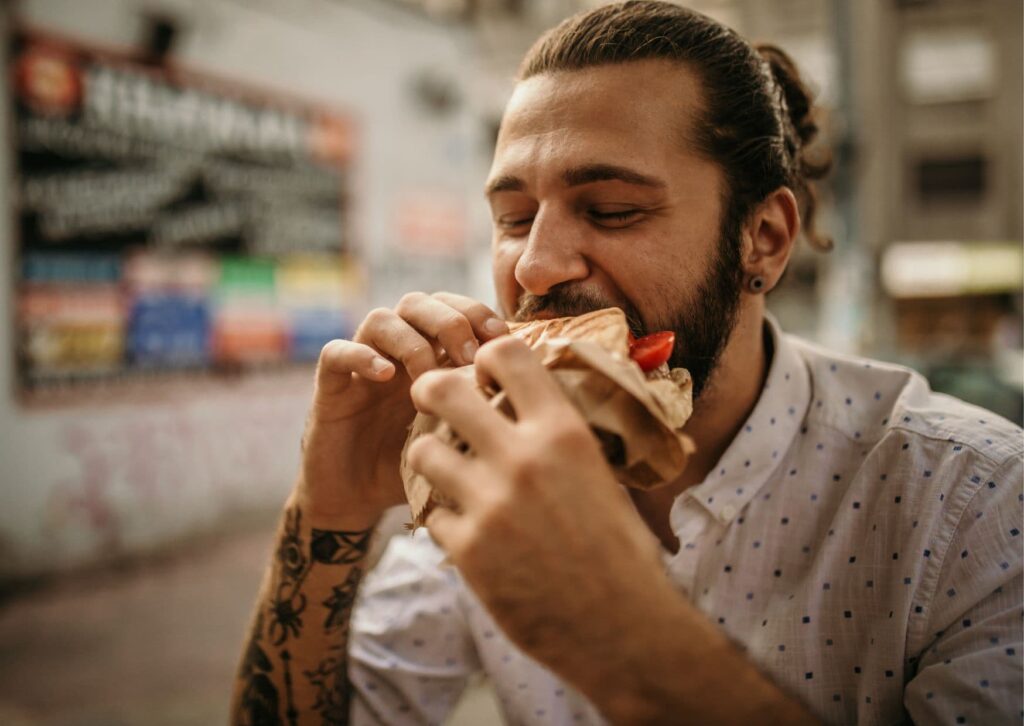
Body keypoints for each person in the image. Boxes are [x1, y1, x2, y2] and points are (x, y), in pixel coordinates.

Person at [231, 2, 1023, 724]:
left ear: (765, 239)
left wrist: (621, 632)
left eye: (612, 210)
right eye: (512, 218)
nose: (535, 267)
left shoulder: (977, 504)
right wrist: (326, 509)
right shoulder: (489, 467)